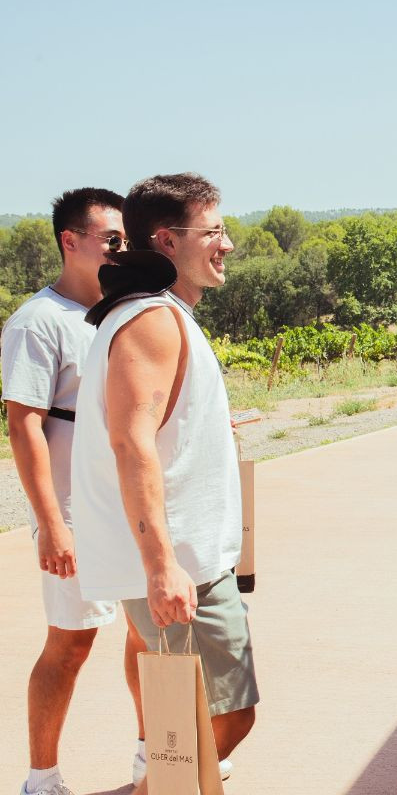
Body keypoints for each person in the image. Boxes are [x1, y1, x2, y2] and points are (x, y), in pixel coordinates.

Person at [71, 173, 253, 787]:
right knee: (221, 717)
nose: (226, 244)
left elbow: (152, 428)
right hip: (180, 564)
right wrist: (160, 567)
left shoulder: (159, 314)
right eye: (214, 231)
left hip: (190, 558)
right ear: (166, 241)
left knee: (194, 725)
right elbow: (131, 444)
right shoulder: (151, 319)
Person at [2, 188, 147, 795]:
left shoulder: (126, 312)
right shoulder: (37, 321)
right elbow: (24, 422)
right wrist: (51, 525)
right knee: (70, 643)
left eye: (125, 240)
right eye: (111, 239)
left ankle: (152, 760)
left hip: (131, 511)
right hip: (73, 514)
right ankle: (43, 778)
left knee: (148, 636)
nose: (121, 249)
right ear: (71, 241)